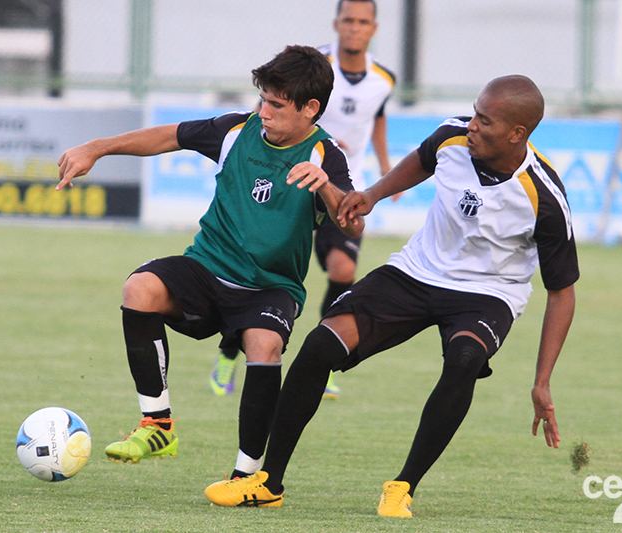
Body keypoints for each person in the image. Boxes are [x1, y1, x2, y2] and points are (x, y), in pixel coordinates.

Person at [204, 75, 579, 517]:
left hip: (487, 293)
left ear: (517, 133)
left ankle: (403, 486)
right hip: (417, 271)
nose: (472, 125)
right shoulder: (452, 137)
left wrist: (541, 381)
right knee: (321, 343)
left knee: (463, 362)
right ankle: (268, 481)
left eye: (485, 120)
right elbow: (422, 160)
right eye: (474, 112)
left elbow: (562, 293)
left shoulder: (545, 197)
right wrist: (372, 195)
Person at [56, 45, 364, 479]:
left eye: (276, 105)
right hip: (207, 267)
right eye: (263, 100)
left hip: (270, 286)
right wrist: (99, 147)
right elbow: (170, 136)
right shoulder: (237, 130)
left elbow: (352, 227)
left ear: (310, 109)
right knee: (139, 288)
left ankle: (248, 475)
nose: (264, 111)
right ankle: (158, 425)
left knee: (264, 345)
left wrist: (327, 189)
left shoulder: (325, 157)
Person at [209, 0, 396, 400]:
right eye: (348, 20)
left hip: (342, 186)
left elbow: (377, 118)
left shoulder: (385, 79)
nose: (354, 28)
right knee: (257, 266)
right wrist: (320, 142)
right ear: (336, 23)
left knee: (343, 270)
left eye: (363, 22)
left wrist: (385, 167)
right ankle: (229, 352)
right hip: (291, 174)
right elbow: (297, 110)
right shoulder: (317, 67)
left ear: (374, 28)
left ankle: (323, 356)